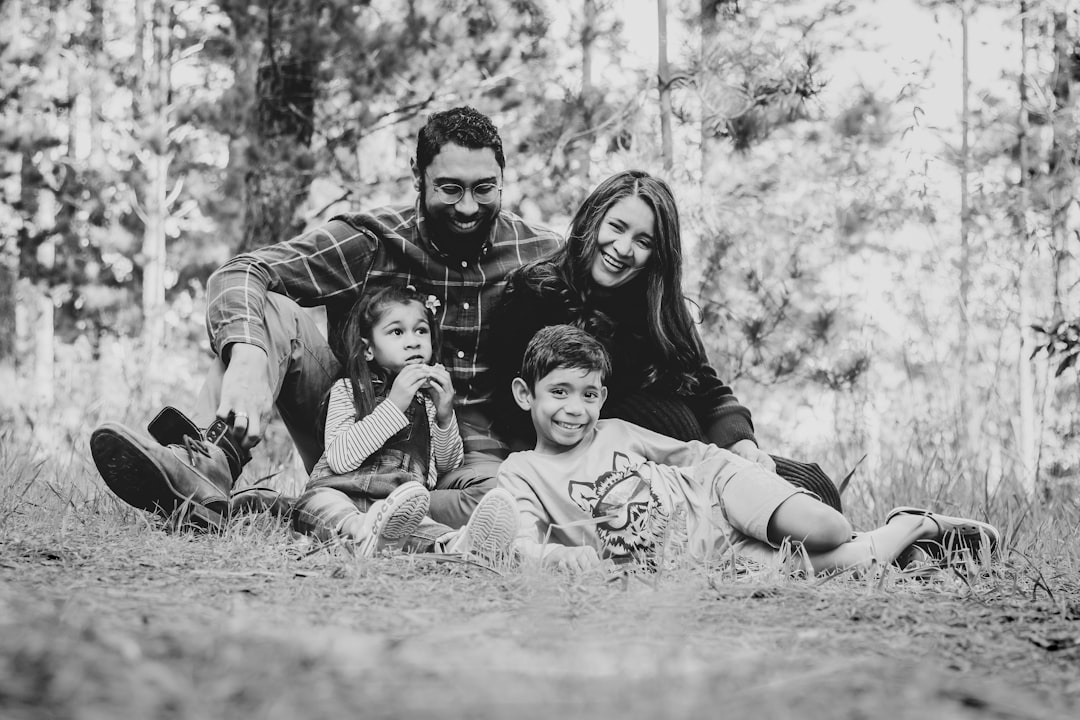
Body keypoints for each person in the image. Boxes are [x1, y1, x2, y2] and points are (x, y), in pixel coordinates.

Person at [89, 106, 561, 531]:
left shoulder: (541, 253)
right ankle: (207, 464)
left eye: (484, 189)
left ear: (503, 178)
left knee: (508, 499)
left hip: (465, 463)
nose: (467, 207)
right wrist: (249, 359)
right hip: (353, 438)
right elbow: (241, 272)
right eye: (450, 188)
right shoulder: (369, 241)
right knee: (270, 308)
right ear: (418, 175)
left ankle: (318, 511)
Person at [497, 325, 1000, 574]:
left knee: (830, 530)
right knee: (846, 566)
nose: (575, 409)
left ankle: (911, 538)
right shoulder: (521, 471)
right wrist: (556, 561)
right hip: (709, 562)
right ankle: (915, 526)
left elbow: (698, 458)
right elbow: (519, 541)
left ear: (601, 397)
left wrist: (750, 468)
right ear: (526, 395)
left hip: (720, 489)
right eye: (558, 392)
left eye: (588, 394)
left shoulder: (618, 432)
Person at [488, 170, 842, 510]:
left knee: (814, 485)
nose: (624, 248)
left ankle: (864, 543)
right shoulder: (536, 295)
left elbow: (709, 391)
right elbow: (513, 407)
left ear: (657, 254)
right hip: (616, 471)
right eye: (616, 227)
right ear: (592, 221)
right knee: (757, 510)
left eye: (644, 241)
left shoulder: (660, 310)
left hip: (696, 458)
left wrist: (742, 446)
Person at [290, 284, 517, 559]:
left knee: (424, 525)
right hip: (338, 491)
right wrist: (394, 404)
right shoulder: (349, 390)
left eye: (421, 330)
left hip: (396, 506)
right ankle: (361, 531)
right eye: (397, 332)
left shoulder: (429, 404)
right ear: (368, 350)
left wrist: (445, 415)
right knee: (318, 504)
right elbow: (340, 459)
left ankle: (457, 546)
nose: (413, 341)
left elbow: (444, 469)